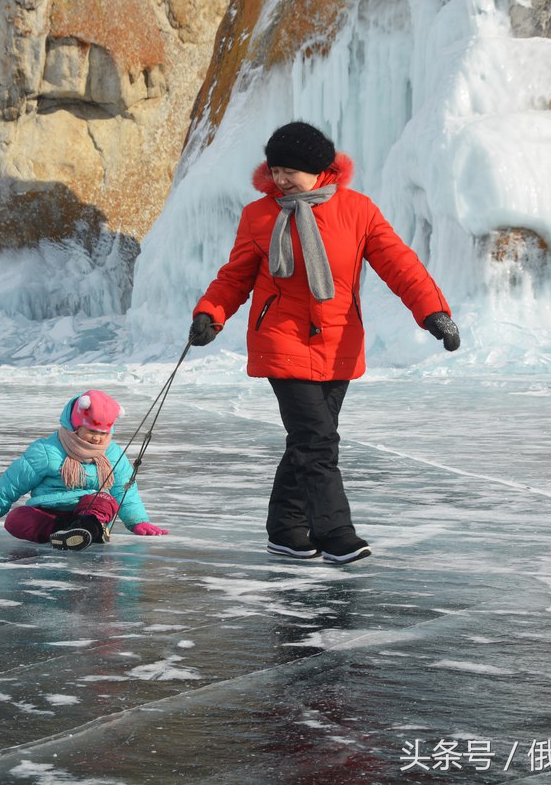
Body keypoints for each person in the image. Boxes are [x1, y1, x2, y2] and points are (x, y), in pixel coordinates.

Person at [188, 121, 460, 565]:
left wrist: (434, 313)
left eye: (288, 170)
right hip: (280, 340)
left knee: (307, 441)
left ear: (318, 169)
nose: (279, 180)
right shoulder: (259, 215)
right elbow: (235, 276)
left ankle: (286, 530)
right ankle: (335, 533)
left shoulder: (358, 211)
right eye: (274, 170)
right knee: (317, 441)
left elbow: (400, 265)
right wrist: (210, 314)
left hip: (338, 344)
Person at [0, 390, 169, 551]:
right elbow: (14, 482)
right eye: (91, 431)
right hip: (50, 511)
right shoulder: (48, 450)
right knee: (15, 520)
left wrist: (137, 522)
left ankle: (86, 530)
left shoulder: (112, 454)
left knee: (104, 501)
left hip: (89, 510)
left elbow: (124, 490)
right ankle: (65, 534)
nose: (97, 438)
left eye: (103, 434)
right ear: (75, 425)